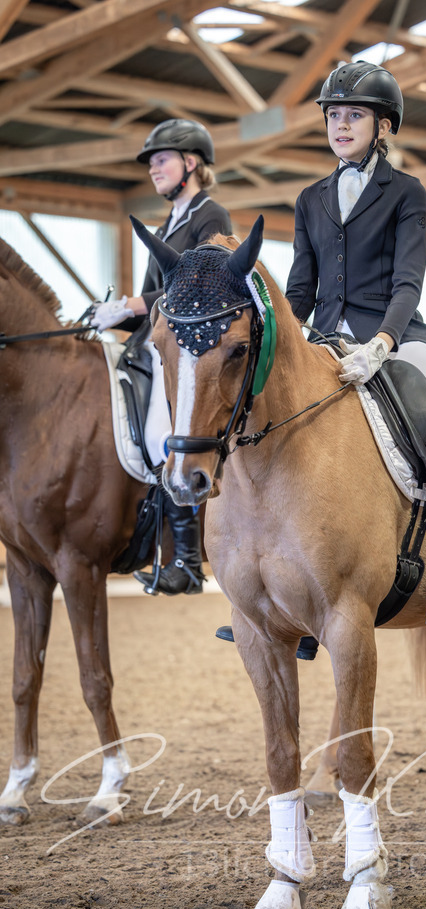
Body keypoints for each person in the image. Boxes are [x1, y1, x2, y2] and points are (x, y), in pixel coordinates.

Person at [285, 61, 426, 633]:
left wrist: (381, 342)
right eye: (334, 115)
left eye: (355, 115)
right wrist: (286, 338)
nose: (341, 125)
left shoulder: (407, 194)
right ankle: (289, 591)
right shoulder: (310, 198)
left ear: (383, 126)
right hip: (325, 342)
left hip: (396, 339)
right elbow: (301, 288)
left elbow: (408, 284)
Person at [90, 118, 232, 596]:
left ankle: (189, 561)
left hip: (193, 349)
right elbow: (159, 306)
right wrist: (115, 316)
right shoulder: (165, 224)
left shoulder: (211, 217)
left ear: (191, 163)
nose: (154, 170)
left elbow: (197, 289)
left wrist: (133, 302)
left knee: (161, 432)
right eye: (151, 163)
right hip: (156, 342)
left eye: (162, 160)